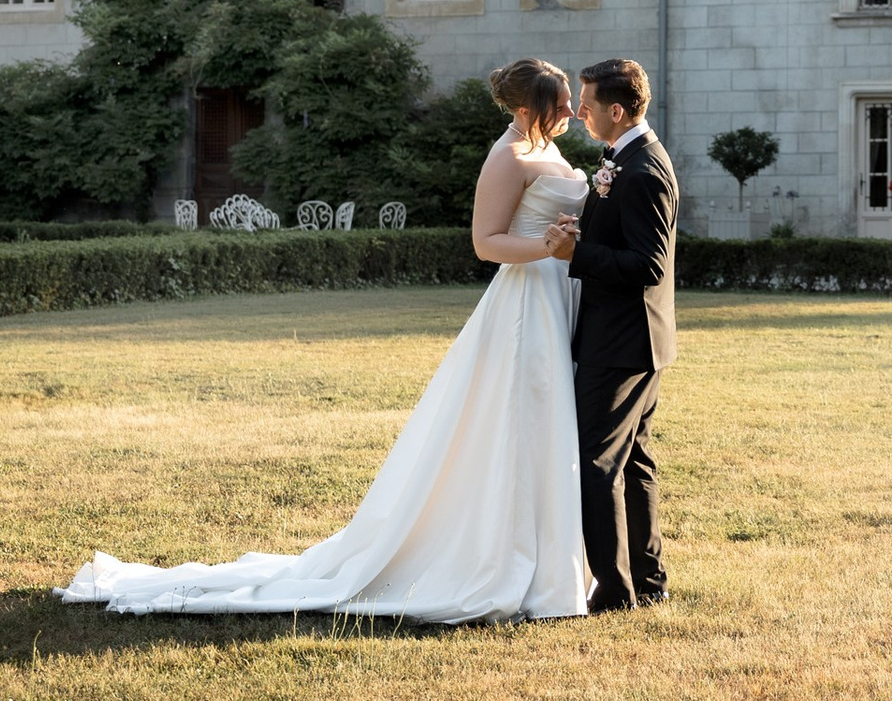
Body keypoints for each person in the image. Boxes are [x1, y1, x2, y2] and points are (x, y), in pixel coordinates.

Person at [54, 58, 593, 621]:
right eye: (556, 105)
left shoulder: (548, 151)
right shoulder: (507, 156)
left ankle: (554, 557)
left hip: (562, 296)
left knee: (549, 423)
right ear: (527, 108)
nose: (566, 114)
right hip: (527, 300)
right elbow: (486, 243)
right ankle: (500, 557)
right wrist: (546, 249)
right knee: (518, 421)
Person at [544, 57, 679, 613]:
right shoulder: (624, 158)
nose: (579, 111)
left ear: (616, 111)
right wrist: (588, 232)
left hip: (622, 343)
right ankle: (647, 583)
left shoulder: (644, 170)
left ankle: (615, 592)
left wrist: (579, 253)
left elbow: (649, 264)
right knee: (635, 460)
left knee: (597, 462)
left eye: (588, 103)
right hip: (634, 339)